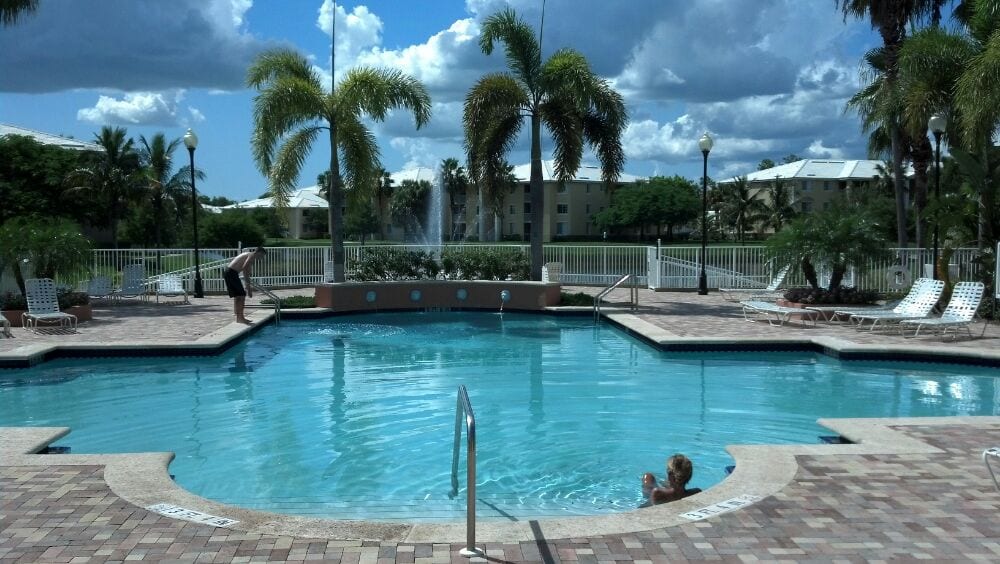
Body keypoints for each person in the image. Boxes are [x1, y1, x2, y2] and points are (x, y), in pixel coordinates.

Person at [224, 247, 266, 324]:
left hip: (229, 272)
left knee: (238, 295)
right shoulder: (252, 255)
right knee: (241, 295)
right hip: (231, 273)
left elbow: (246, 268)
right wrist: (248, 287)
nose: (262, 258)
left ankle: (238, 315)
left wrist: (249, 274)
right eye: (262, 255)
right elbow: (245, 267)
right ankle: (240, 318)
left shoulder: (249, 255)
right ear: (259, 252)